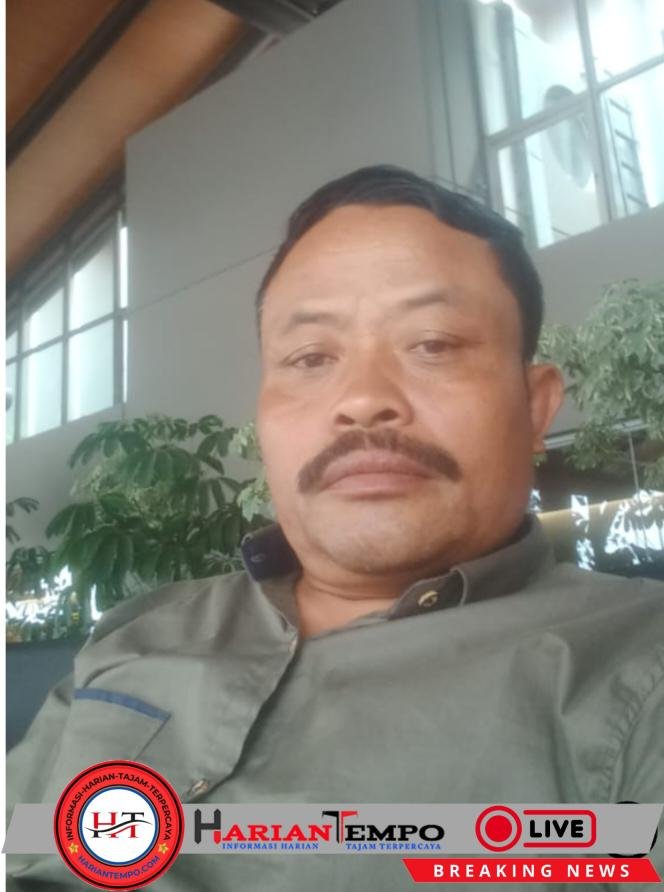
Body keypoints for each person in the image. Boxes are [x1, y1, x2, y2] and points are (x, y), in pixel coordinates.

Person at [7, 166, 664, 890]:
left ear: (535, 406)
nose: (362, 399)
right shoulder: (136, 634)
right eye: (310, 357)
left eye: (434, 343)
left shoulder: (638, 671)